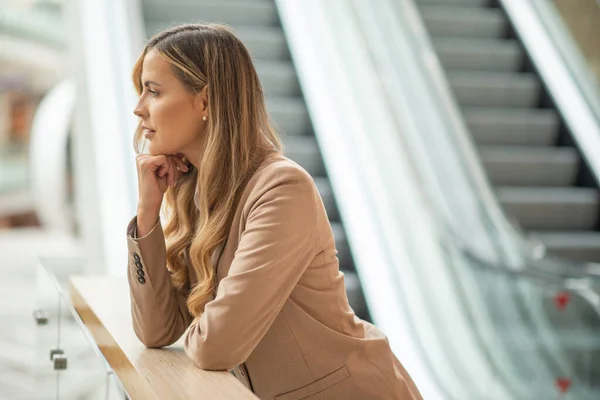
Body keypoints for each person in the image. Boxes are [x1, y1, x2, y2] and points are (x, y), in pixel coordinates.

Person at [125, 23, 422, 400]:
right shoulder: (201, 192)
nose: (139, 109)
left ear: (205, 101)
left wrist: (207, 319)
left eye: (153, 91)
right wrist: (148, 211)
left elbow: (217, 346)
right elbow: (157, 330)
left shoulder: (282, 190)